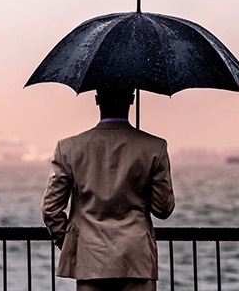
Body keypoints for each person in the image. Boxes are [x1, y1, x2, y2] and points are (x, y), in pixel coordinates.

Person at [41, 88, 175, 291]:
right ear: (132, 100)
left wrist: (73, 242)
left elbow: (50, 210)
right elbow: (163, 209)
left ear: (97, 100)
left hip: (90, 260)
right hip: (136, 260)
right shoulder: (154, 147)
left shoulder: (68, 148)